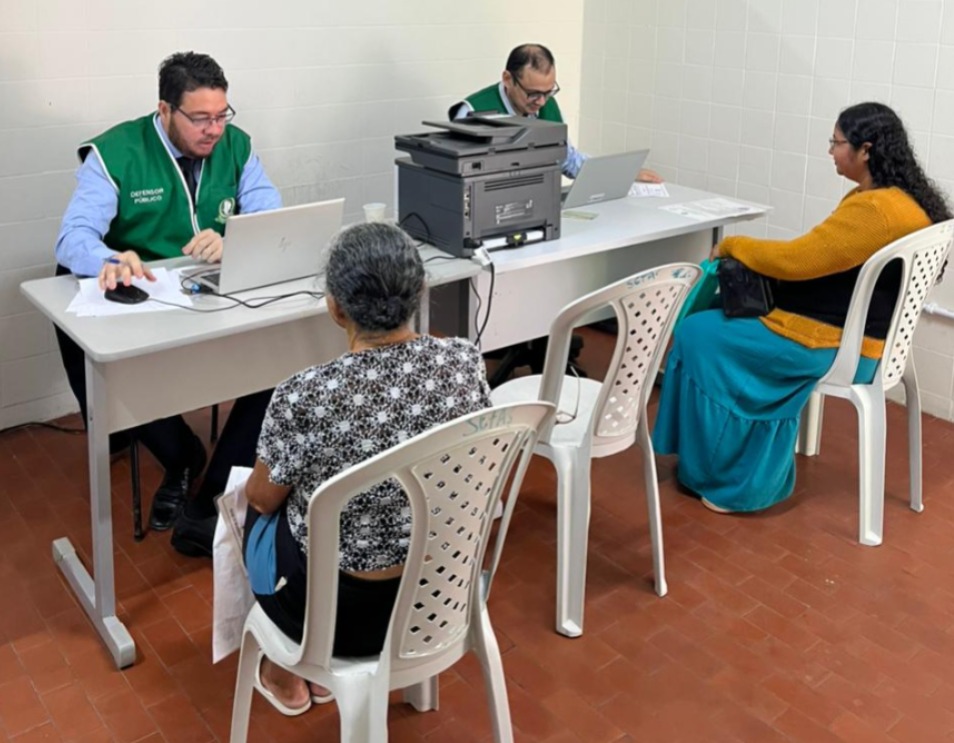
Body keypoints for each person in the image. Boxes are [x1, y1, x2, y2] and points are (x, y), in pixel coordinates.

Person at [652, 102, 952, 515]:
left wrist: (734, 245)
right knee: (721, 318)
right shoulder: (903, 200)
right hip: (871, 344)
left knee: (697, 332)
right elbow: (820, 258)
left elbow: (800, 259)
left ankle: (729, 479)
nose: (830, 150)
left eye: (837, 142)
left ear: (865, 150)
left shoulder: (876, 210)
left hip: (834, 348)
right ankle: (720, 459)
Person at [242, 222, 493, 715]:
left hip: (333, 619)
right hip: (442, 597)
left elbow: (262, 498)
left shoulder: (304, 394)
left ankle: (284, 668)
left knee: (251, 505)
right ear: (420, 292)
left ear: (335, 307)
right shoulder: (464, 363)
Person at [53, 51, 282, 553]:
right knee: (92, 351)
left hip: (211, 294)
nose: (214, 129)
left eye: (222, 115)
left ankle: (211, 500)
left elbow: (271, 213)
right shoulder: (116, 153)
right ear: (165, 110)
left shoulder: (237, 146)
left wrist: (239, 238)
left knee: (284, 359)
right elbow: (71, 240)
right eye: (200, 118)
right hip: (143, 296)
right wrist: (109, 258)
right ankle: (179, 455)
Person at [449, 43, 661, 183]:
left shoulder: (547, 107)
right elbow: (459, 177)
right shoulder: (472, 111)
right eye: (532, 93)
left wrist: (621, 175)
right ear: (507, 79)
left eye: (548, 92)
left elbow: (568, 160)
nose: (541, 102)